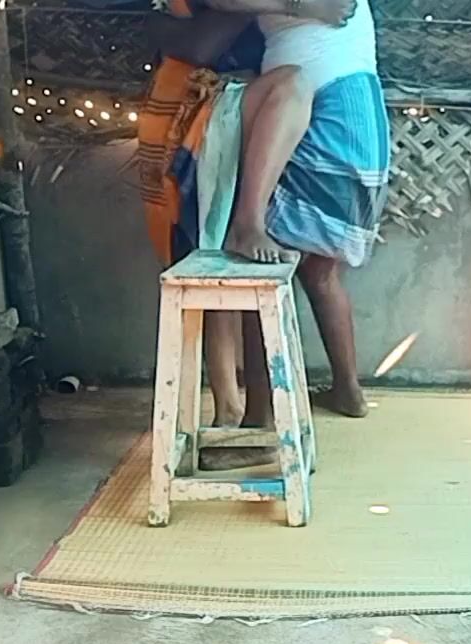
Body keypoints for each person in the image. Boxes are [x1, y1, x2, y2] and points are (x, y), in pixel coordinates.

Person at [141, 0, 387, 465]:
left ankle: (259, 428)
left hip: (326, 116)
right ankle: (345, 391)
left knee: (257, 272)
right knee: (313, 272)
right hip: (350, 113)